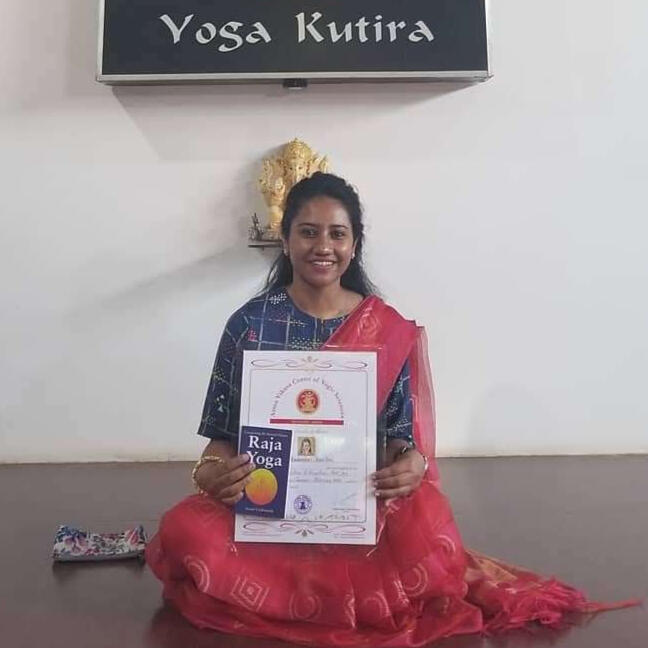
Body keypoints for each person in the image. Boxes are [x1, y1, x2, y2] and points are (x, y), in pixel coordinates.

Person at [146, 173, 635, 646]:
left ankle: (294, 594)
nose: (323, 246)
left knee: (429, 530)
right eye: (308, 232)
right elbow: (218, 441)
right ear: (286, 240)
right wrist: (213, 476)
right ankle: (316, 590)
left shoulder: (383, 327)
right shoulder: (249, 325)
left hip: (356, 506)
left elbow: (402, 441)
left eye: (337, 234)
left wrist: (412, 464)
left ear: (354, 244)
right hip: (267, 509)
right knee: (185, 531)